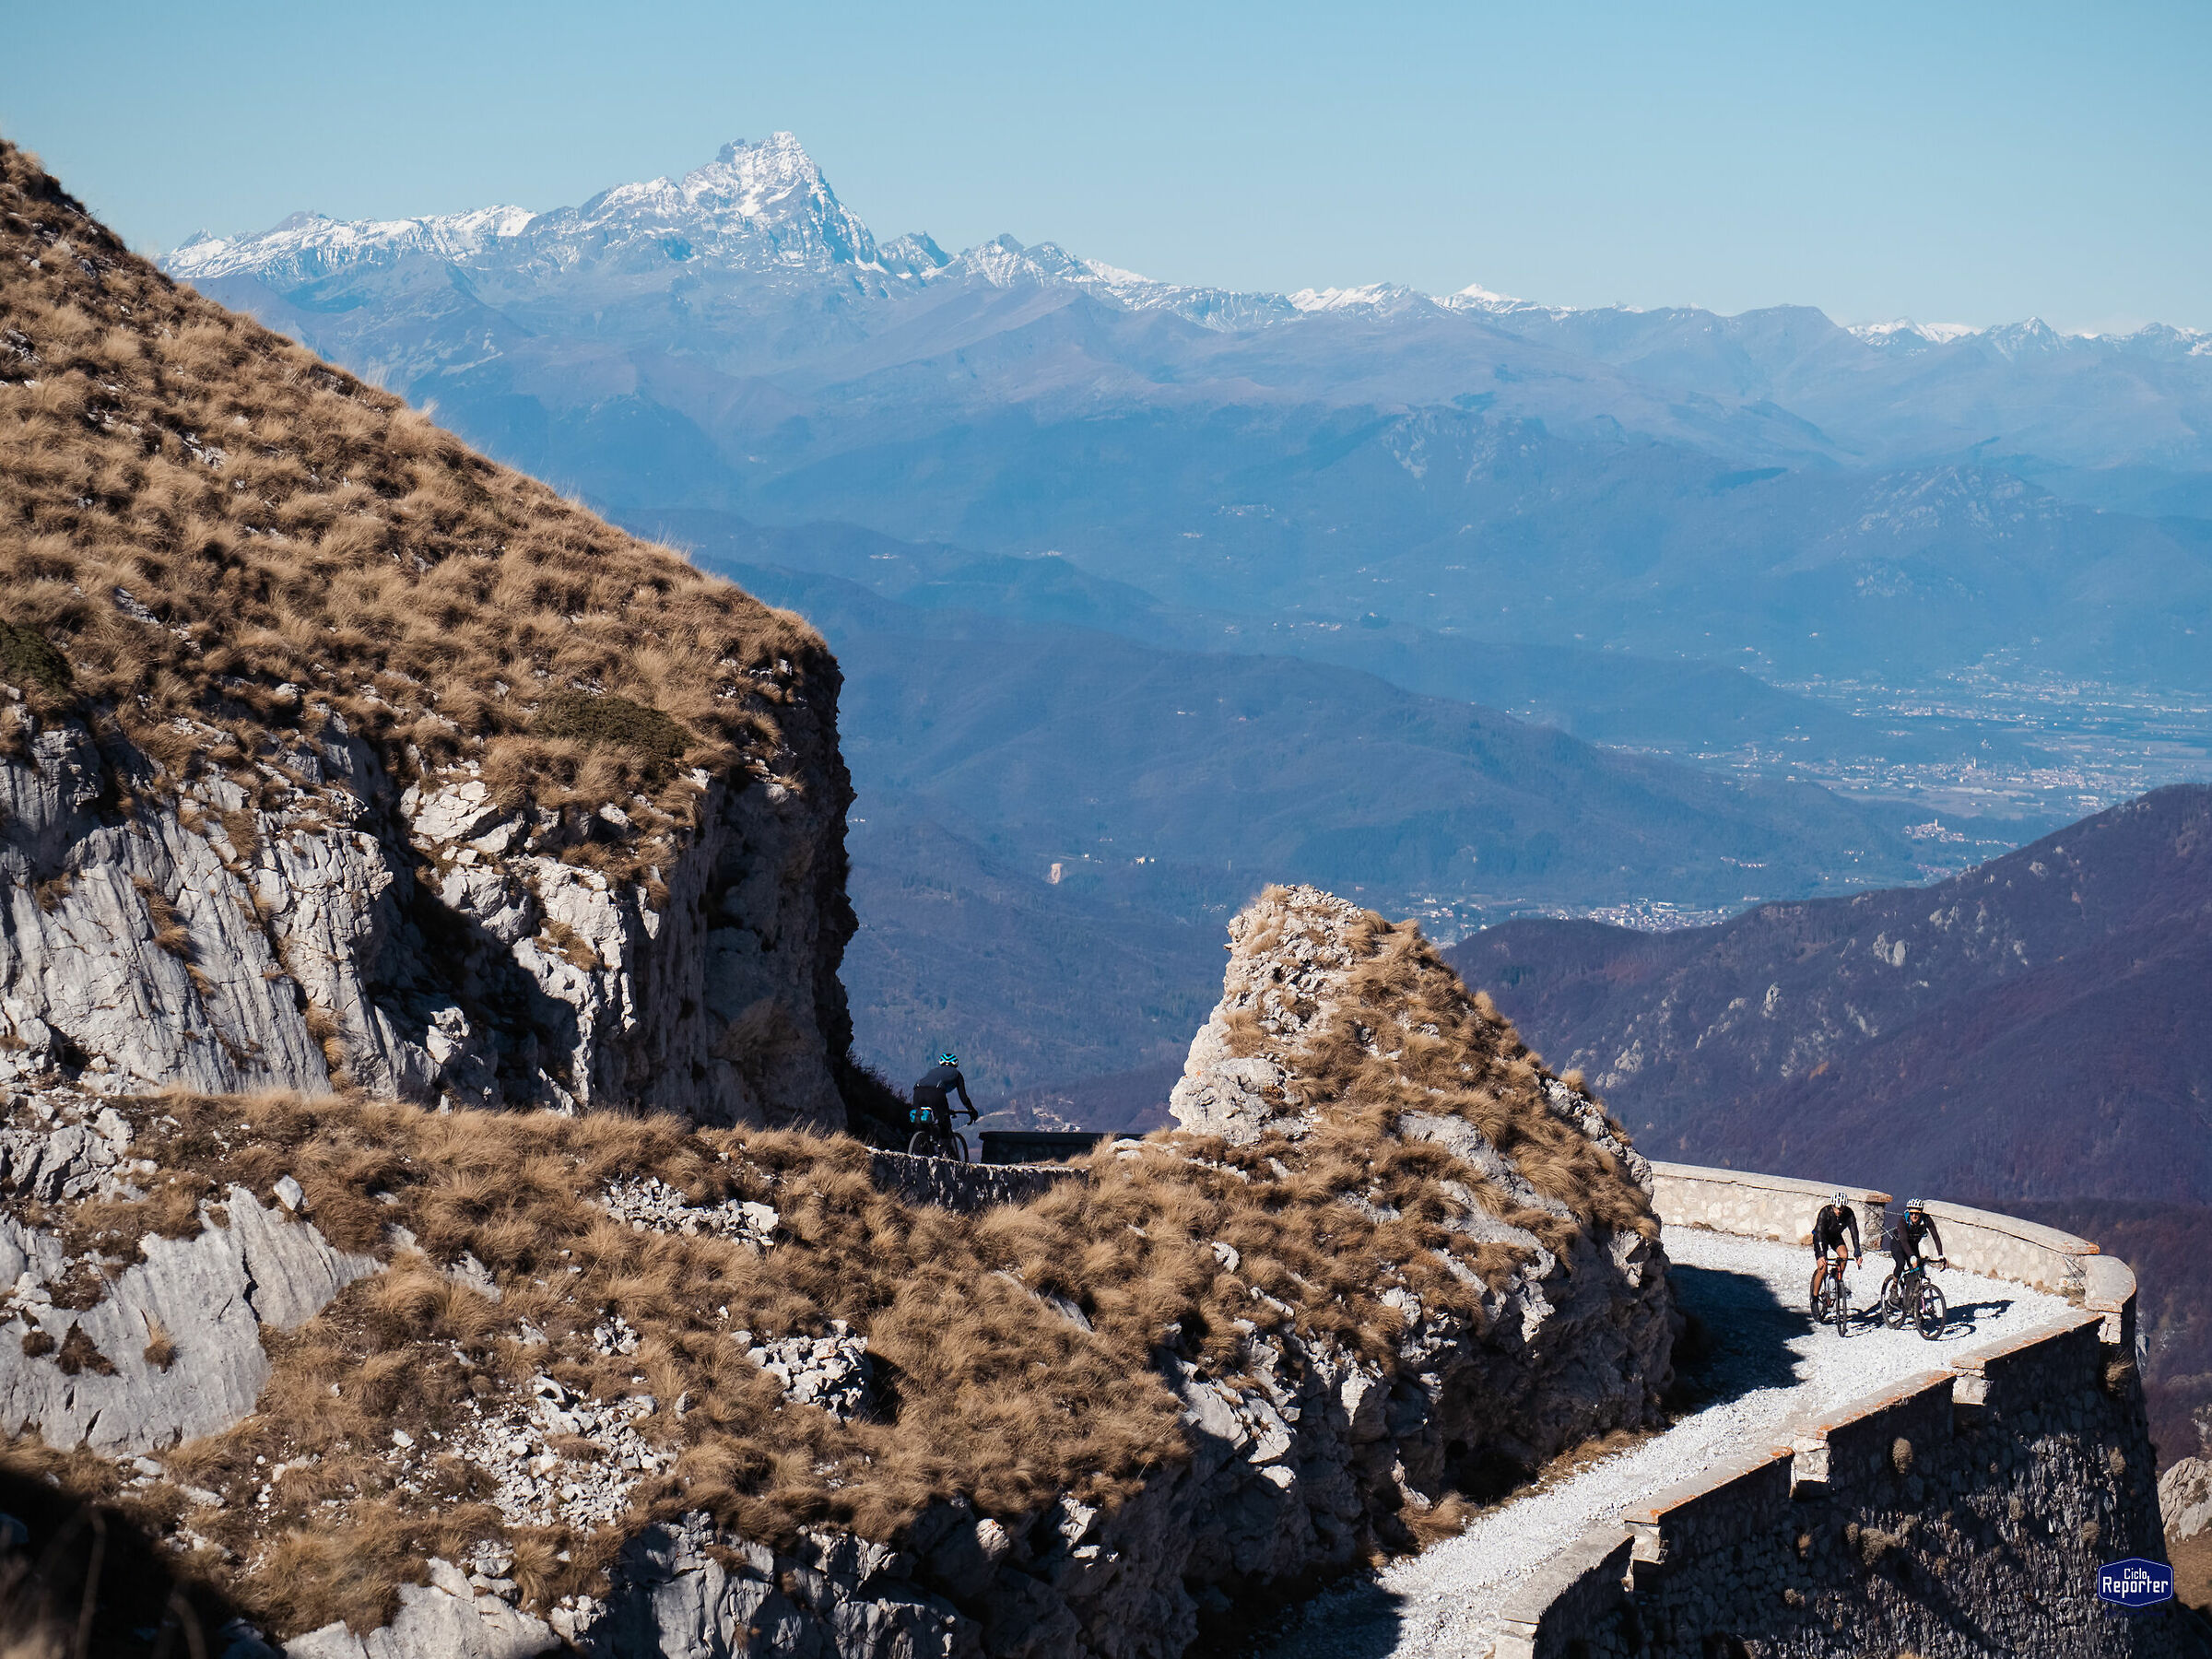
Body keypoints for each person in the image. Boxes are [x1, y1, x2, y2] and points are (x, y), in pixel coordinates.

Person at [1809, 1190, 1862, 1310]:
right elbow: (1820, 1232)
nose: (1839, 1211)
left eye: (1841, 1208)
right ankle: (1815, 1298)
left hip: (1835, 1237)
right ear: (1832, 1206)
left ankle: (1835, 1278)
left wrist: (1857, 1251)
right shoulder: (1825, 1212)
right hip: (1821, 1237)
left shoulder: (1848, 1213)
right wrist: (1822, 1255)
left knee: (1844, 1255)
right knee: (1822, 1269)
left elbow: (1854, 1232)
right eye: (1836, 1208)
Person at [911, 1051, 978, 1144]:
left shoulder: (933, 1071)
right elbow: (964, 1098)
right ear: (955, 1064)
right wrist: (972, 1111)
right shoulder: (957, 1074)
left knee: (920, 1119)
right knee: (944, 1123)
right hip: (936, 1093)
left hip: (918, 1091)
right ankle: (944, 1150)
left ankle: (918, 1148)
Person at [1887, 1198, 1947, 1296]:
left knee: (1918, 1269)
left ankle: (1912, 1298)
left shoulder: (1927, 1220)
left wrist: (1941, 1255)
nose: (1914, 1216)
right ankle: (1894, 1287)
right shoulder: (1903, 1221)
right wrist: (1912, 1257)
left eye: (1917, 1213)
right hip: (1899, 1244)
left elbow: (1935, 1237)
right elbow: (1904, 1241)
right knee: (1901, 1263)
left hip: (1913, 1245)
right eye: (1912, 1213)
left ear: (1921, 1213)